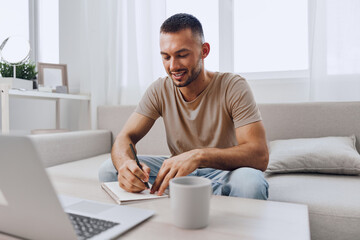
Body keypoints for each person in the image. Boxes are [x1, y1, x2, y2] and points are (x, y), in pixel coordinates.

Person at [99, 13, 269, 200]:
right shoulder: (159, 89)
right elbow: (125, 137)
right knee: (109, 169)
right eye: (166, 57)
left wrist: (198, 156)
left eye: (182, 55)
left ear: (204, 51)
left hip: (224, 173)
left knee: (250, 183)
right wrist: (126, 164)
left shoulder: (233, 86)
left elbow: (259, 155)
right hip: (178, 174)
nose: (173, 66)